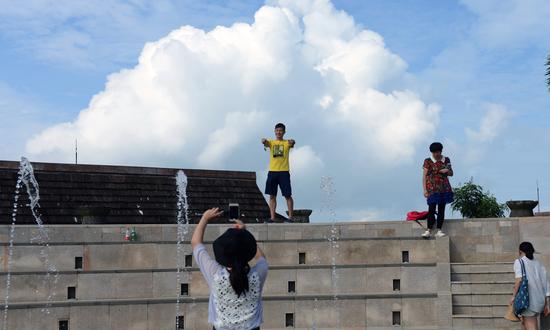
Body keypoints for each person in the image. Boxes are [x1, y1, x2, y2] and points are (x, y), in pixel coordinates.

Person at [191, 208, 268, 330]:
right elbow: (261, 258)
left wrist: (205, 218)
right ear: (248, 251)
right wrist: (244, 234)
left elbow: (196, 243)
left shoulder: (215, 274)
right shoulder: (258, 275)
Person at [509, 242, 550, 330]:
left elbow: (519, 280)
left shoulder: (519, 262)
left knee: (531, 327)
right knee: (525, 325)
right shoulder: (538, 263)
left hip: (528, 301)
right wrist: (547, 303)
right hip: (539, 301)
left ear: (520, 251)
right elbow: (546, 283)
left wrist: (513, 296)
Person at [261, 123, 295, 223]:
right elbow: (266, 143)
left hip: (284, 172)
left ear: (284, 132)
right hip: (272, 171)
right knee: (272, 195)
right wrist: (264, 141)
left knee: (287, 195)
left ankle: (290, 217)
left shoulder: (286, 143)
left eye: (280, 130)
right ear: (274, 131)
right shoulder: (271, 143)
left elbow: (292, 143)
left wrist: (292, 142)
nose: (278, 132)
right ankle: (272, 218)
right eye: (277, 130)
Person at [421, 142, 453, 238]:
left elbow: (451, 173)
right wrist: (425, 190)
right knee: (431, 208)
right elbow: (424, 176)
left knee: (441, 209)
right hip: (431, 188)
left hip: (444, 187)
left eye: (437, 152)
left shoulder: (446, 160)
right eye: (434, 152)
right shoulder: (428, 161)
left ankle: (439, 230)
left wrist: (447, 171)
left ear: (440, 151)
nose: (436, 154)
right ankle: (428, 230)